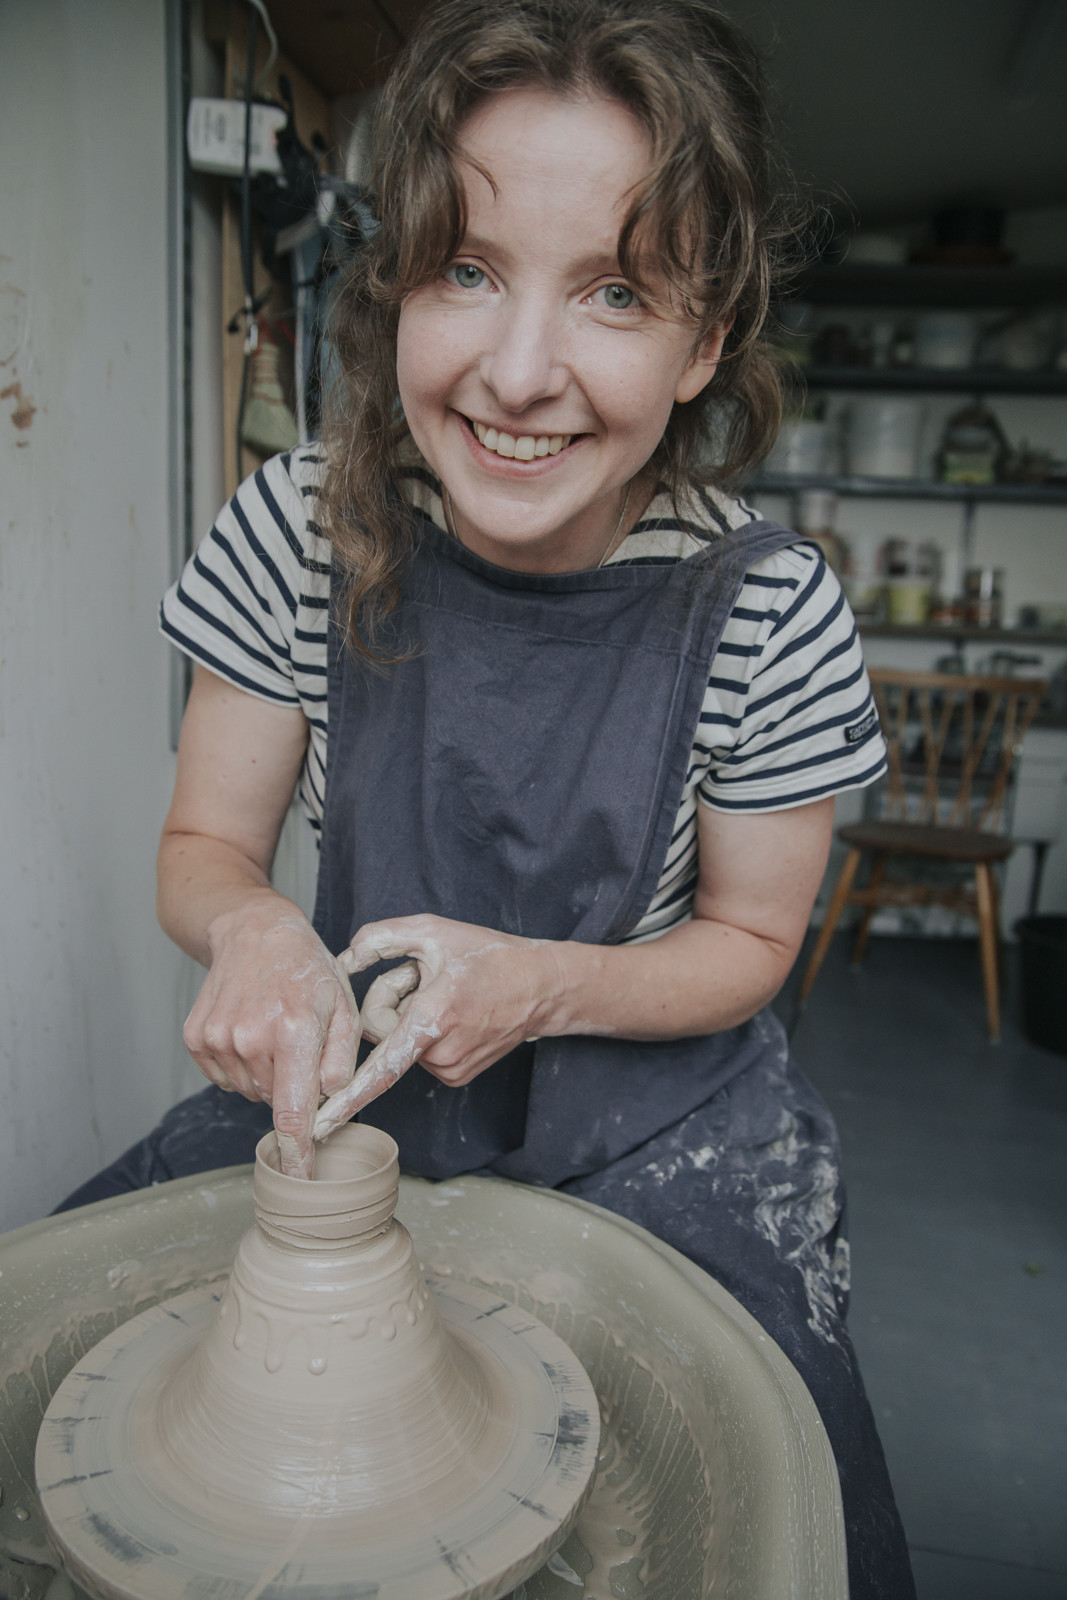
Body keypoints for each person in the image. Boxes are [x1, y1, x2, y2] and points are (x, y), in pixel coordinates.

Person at [59, 1, 913, 1591]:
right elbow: (204, 847)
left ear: (707, 339)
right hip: (357, 1090)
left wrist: (537, 986)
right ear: (394, 289)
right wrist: (251, 935)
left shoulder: (771, 606)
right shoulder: (295, 529)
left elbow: (749, 940)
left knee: (781, 1448)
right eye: (468, 271)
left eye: (615, 293)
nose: (522, 375)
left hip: (653, 1112)